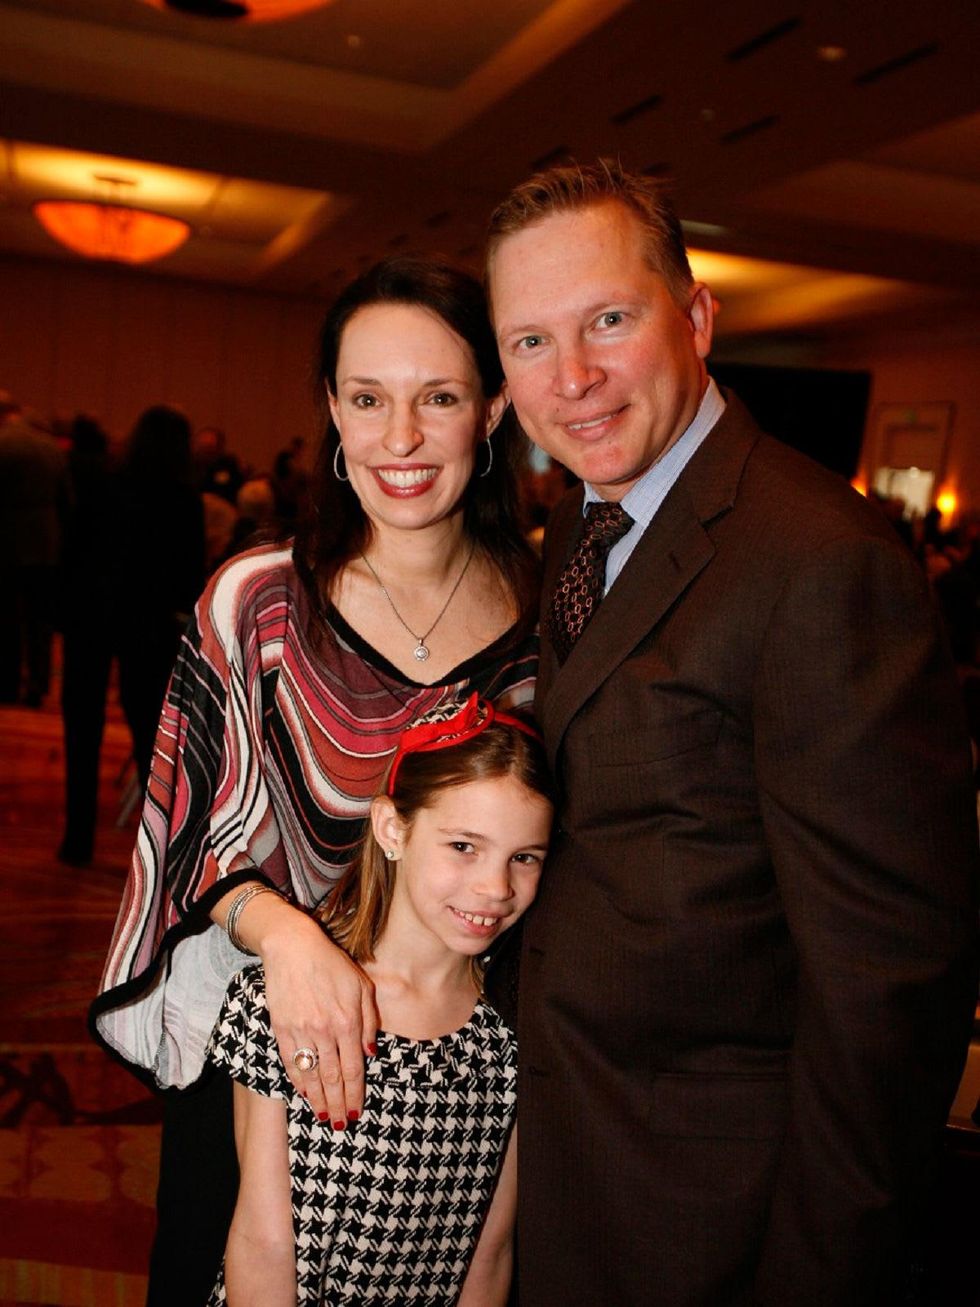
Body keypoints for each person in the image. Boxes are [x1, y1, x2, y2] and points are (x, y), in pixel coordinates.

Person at [483, 160, 980, 1306]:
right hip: (563, 1162)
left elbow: (886, 995)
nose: (573, 379)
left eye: (608, 319)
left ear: (696, 316)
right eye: (528, 341)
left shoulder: (822, 560)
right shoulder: (579, 524)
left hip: (711, 1223)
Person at [89, 256, 538, 1305]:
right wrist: (286, 936)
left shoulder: (544, 623)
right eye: (367, 398)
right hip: (263, 1051)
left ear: (492, 410)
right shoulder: (258, 602)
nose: (400, 438)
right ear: (332, 409)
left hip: (452, 1071)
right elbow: (188, 834)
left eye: (438, 397)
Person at [207, 694, 553, 1306]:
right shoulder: (285, 1003)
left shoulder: (516, 1027)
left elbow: (491, 1253)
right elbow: (263, 1240)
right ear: (393, 828)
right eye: (464, 847)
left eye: (523, 858)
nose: (495, 887)